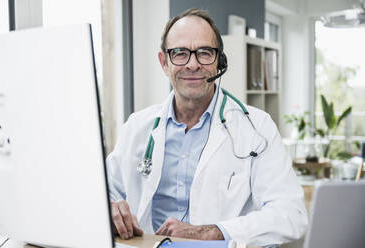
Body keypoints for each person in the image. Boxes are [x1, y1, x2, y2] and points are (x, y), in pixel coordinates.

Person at [107, 8, 308, 246]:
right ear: (164, 62)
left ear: (219, 61)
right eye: (180, 53)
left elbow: (291, 215)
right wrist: (109, 208)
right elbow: (106, 192)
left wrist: (212, 232)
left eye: (204, 53)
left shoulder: (257, 128)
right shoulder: (137, 127)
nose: (192, 64)